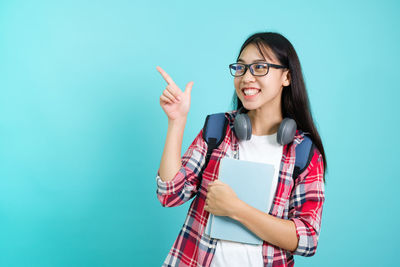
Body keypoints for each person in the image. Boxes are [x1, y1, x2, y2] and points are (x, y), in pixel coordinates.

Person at [155, 32, 327, 267]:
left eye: (259, 67)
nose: (247, 77)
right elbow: (169, 194)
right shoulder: (217, 130)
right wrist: (176, 121)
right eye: (241, 68)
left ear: (286, 76)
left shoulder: (304, 154)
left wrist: (236, 209)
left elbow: (307, 239)